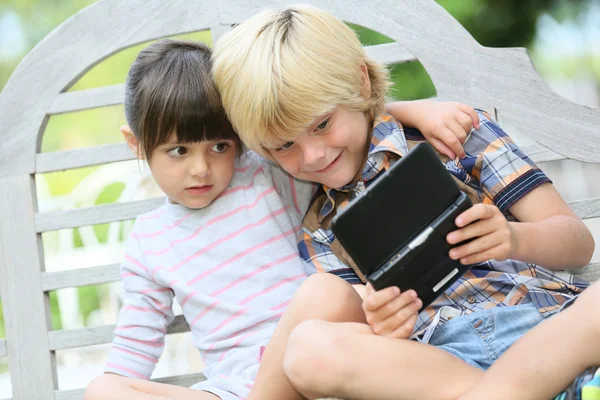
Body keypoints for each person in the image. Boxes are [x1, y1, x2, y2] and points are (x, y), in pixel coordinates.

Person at [212, 4, 597, 400]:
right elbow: (367, 333)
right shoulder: (320, 230)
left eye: (322, 124)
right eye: (285, 145)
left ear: (360, 82)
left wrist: (514, 239)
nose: (313, 156)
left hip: (546, 326)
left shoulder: (457, 137)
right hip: (441, 363)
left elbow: (578, 243)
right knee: (308, 348)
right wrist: (386, 324)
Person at [84, 39, 479, 400]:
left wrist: (412, 110)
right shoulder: (149, 240)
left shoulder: (267, 175)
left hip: (321, 354)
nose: (201, 169)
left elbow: (325, 129)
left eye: (219, 146)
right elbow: (135, 344)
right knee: (103, 390)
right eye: (178, 151)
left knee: (322, 292)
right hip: (233, 389)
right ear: (136, 143)